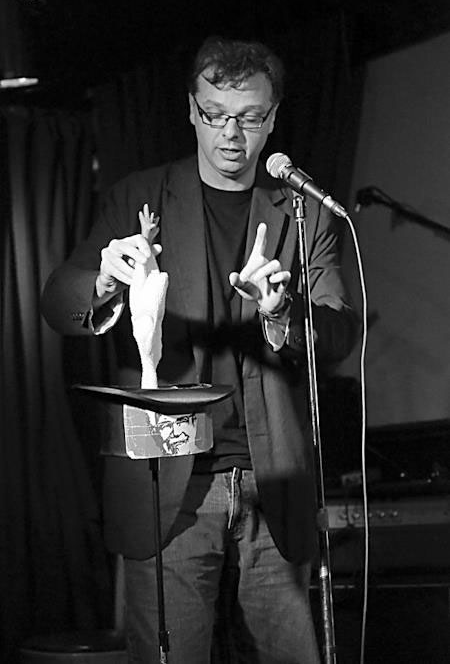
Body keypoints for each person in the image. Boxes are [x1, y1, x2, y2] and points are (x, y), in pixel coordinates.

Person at [42, 36, 357, 664]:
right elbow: (58, 303)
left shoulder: (304, 213)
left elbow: (341, 333)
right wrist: (104, 280)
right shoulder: (140, 195)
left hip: (274, 481)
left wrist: (282, 314)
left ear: (273, 117)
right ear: (191, 110)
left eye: (249, 117)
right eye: (215, 114)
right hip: (169, 482)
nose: (231, 133)